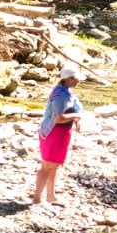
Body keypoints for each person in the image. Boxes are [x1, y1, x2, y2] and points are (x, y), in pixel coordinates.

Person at [33, 64, 84, 205]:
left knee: (53, 166)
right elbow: (59, 118)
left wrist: (76, 119)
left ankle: (51, 196)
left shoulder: (65, 92)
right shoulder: (61, 95)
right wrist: (76, 116)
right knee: (47, 166)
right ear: (69, 79)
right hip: (54, 133)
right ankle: (37, 198)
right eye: (76, 78)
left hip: (59, 133)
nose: (78, 81)